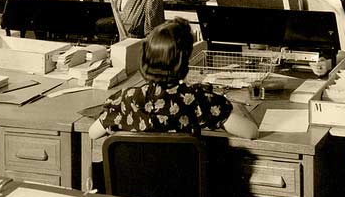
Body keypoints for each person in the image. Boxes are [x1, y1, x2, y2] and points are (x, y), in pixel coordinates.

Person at [88, 18, 258, 140]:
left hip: (135, 188)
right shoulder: (198, 99)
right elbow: (251, 132)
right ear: (184, 63)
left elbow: (92, 133)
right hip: (184, 187)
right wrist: (234, 106)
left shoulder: (126, 98)